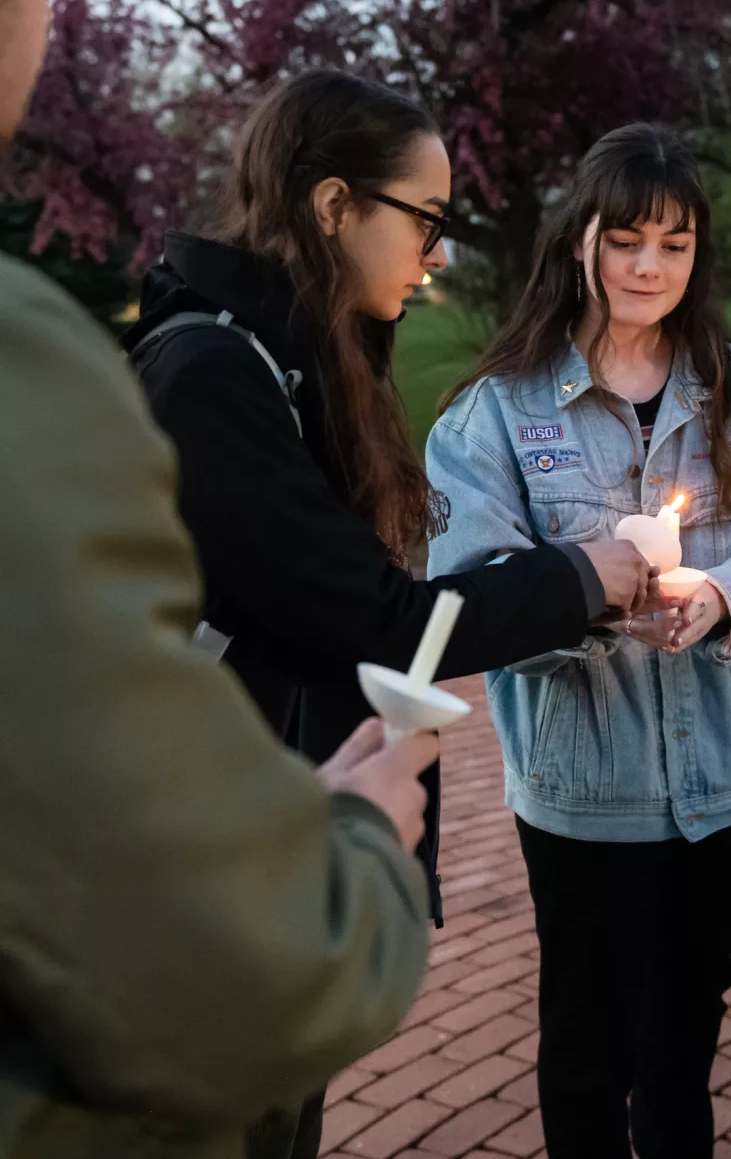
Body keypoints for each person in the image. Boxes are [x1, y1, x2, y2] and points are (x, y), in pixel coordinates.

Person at [0, 0, 445, 1155]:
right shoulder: (158, 371)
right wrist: (353, 849)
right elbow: (240, 976)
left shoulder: (309, 363)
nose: (435, 255)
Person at [121, 71, 655, 1154]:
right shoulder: (214, 373)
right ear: (331, 206)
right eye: (426, 218)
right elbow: (377, 620)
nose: (438, 253)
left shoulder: (291, 359)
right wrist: (580, 575)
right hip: (209, 876)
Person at [425, 122, 731, 1159]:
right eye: (625, 240)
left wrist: (721, 595)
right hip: (586, 797)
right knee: (588, 1045)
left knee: (684, 1038)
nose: (648, 266)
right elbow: (463, 594)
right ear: (580, 241)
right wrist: (587, 599)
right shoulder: (497, 412)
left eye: (674, 243)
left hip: (730, 781)